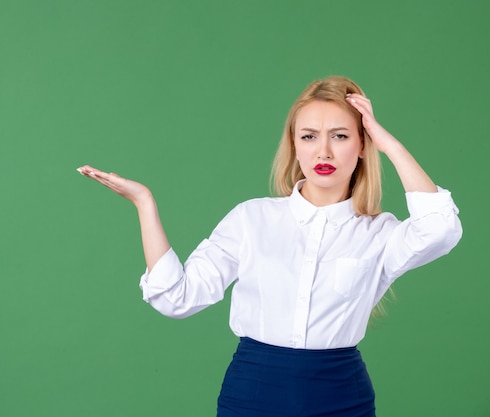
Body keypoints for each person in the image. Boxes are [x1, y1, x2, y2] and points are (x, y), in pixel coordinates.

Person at [77, 76, 462, 417]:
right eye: (308, 136)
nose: (323, 152)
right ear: (294, 145)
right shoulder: (251, 219)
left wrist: (387, 142)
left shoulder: (381, 233)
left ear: (362, 145)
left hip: (342, 395)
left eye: (340, 136)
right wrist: (145, 204)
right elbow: (176, 297)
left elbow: (442, 229)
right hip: (253, 393)